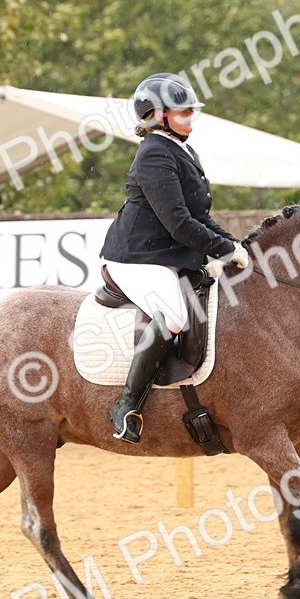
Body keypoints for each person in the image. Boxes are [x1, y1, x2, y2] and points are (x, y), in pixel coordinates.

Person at [99, 72, 249, 443]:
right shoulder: (153, 154)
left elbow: (199, 215)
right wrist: (222, 250)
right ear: (158, 115)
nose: (190, 118)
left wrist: (234, 244)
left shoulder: (182, 150)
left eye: (189, 112)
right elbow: (179, 223)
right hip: (137, 258)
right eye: (182, 112)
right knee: (176, 317)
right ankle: (125, 405)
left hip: (169, 255)